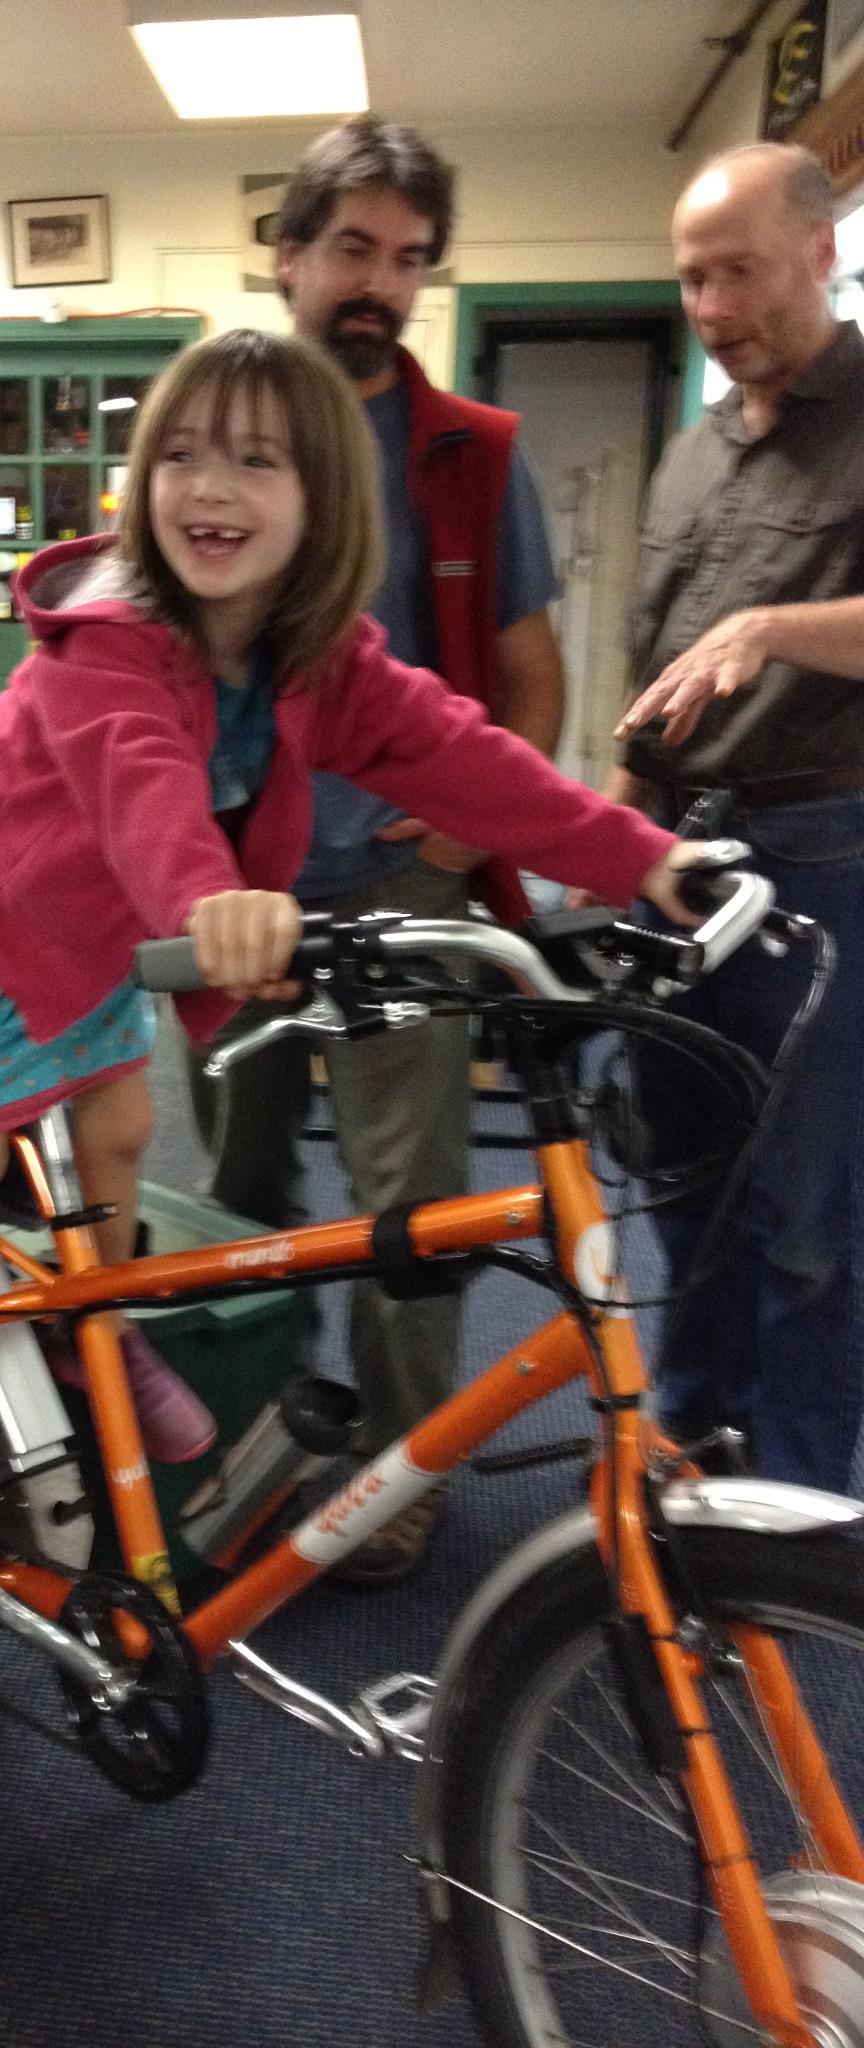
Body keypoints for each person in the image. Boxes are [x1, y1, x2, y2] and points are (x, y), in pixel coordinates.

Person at [0, 327, 707, 1575]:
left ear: (322, 498)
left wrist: (643, 857)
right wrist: (212, 901)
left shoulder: (320, 651)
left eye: (257, 461)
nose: (211, 489)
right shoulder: (114, 635)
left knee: (118, 1129)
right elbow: (140, 778)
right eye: (185, 457)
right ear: (144, 480)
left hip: (98, 911)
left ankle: (101, 1321)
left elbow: (463, 752)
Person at [189, 115, 566, 1583]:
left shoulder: (473, 454)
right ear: (285, 254)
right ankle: (241, 1434)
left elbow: (529, 673)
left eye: (409, 260)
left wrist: (473, 821)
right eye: (352, 247)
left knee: (412, 1204)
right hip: (234, 883)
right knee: (241, 1181)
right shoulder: (213, 433)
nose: (380, 285)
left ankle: (401, 1472)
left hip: (405, 882)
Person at [611, 141, 864, 1496]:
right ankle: (697, 1450)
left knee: (810, 1211)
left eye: (739, 271)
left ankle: (811, 1503)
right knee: (687, 1176)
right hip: (680, 859)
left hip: (829, 854)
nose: (710, 307)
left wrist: (779, 626)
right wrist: (618, 834)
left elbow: (757, 640)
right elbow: (655, 670)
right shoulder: (692, 455)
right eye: (692, 278)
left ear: (821, 252)